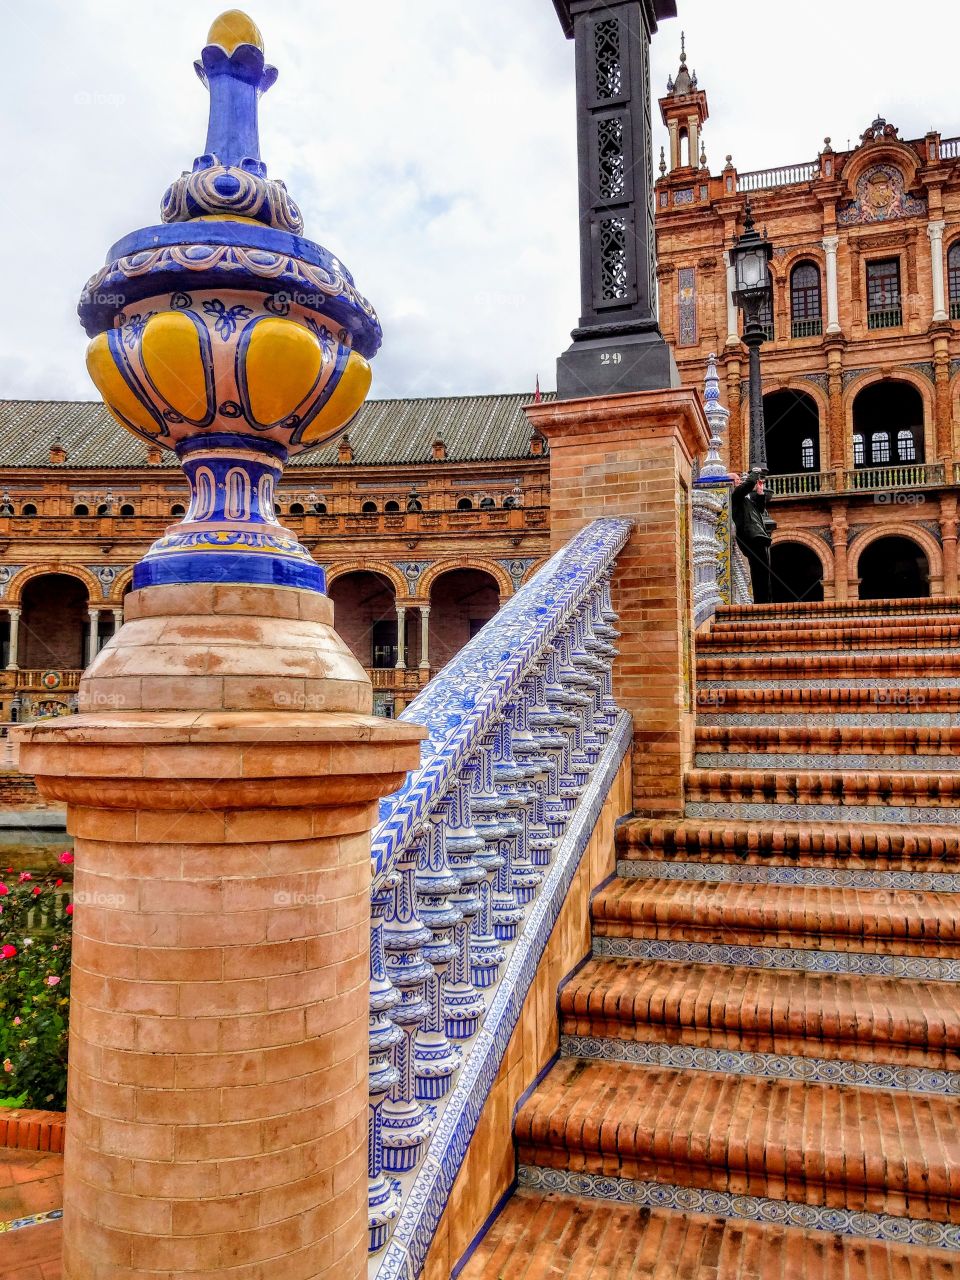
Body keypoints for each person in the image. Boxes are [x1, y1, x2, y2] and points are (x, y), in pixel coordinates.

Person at [731, 469, 773, 604]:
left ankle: (765, 600)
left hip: (758, 536)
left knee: (764, 571)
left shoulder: (744, 499)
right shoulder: (734, 495)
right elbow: (748, 484)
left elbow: (760, 509)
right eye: (737, 480)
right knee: (759, 571)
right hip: (751, 537)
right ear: (731, 483)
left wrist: (760, 493)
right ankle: (761, 602)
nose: (740, 482)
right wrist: (754, 472)